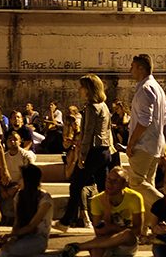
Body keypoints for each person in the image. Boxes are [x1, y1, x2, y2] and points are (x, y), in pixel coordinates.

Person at [58, 74, 115, 232]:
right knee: (104, 188)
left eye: (82, 86)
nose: (80, 89)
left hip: (93, 152)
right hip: (104, 150)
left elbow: (87, 133)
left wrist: (82, 156)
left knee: (76, 185)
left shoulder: (91, 107)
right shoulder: (104, 106)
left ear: (89, 89)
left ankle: (66, 221)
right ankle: (110, 218)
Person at [61, 167, 144, 257]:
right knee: (96, 250)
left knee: (127, 234)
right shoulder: (97, 200)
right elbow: (99, 232)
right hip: (104, 240)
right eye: (108, 179)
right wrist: (107, 210)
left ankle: (79, 246)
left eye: (115, 181)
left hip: (125, 243)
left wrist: (111, 227)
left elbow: (137, 231)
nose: (110, 183)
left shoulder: (135, 198)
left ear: (124, 184)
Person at [127, 54, 166, 208]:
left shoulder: (145, 89)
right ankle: (147, 227)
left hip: (143, 144)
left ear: (141, 68)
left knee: (136, 183)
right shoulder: (158, 88)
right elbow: (162, 119)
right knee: (147, 184)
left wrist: (131, 143)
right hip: (155, 144)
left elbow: (144, 121)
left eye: (133, 66)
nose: (130, 70)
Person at [0, 164, 53, 257]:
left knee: (6, 252)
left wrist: (10, 235)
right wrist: (13, 237)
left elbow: (32, 226)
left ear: (29, 180)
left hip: (38, 238)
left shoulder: (45, 199)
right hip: (20, 236)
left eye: (21, 178)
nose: (18, 181)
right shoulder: (19, 196)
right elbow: (17, 222)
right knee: (4, 251)